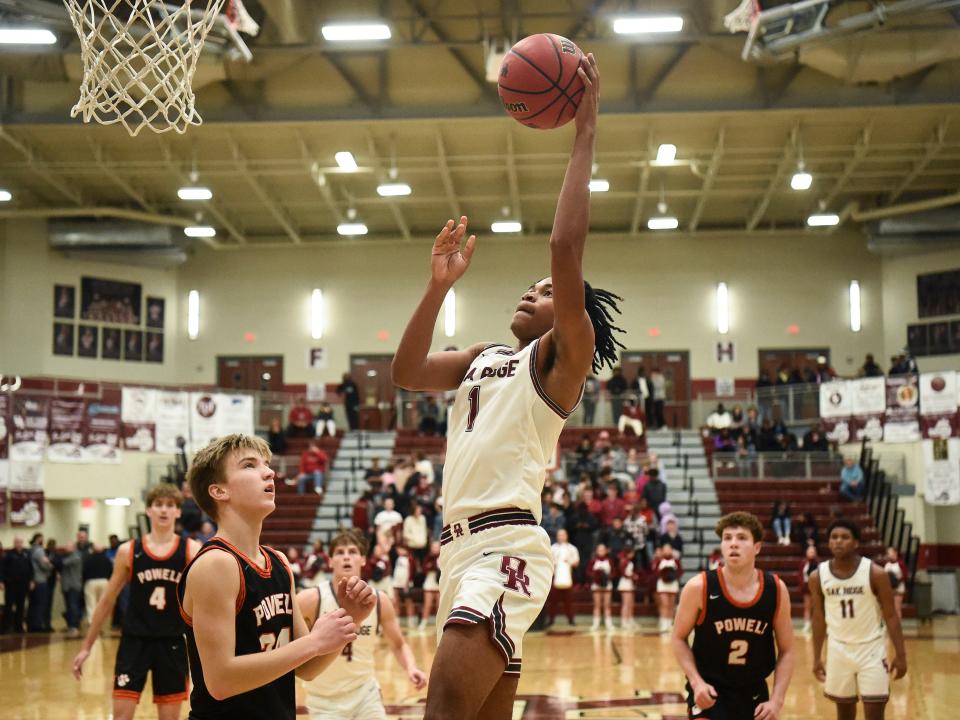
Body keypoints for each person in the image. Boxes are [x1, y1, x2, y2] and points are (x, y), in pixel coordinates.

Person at [390, 53, 622, 720]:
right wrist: (436, 291)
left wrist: (584, 131)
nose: (534, 290)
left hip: (505, 546)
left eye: (548, 293)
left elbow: (565, 249)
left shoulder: (561, 363)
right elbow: (407, 373)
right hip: (457, 551)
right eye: (531, 287)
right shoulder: (482, 357)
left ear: (574, 316)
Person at [176, 434, 376, 719]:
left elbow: (307, 668)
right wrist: (314, 642)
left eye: (267, 464)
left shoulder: (278, 562)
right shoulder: (216, 564)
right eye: (249, 465)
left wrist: (349, 618)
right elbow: (220, 681)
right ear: (219, 491)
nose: (269, 472)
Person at [72, 485, 202, 719]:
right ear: (148, 510)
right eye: (158, 504)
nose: (164, 510)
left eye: (170, 505)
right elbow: (106, 600)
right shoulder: (129, 550)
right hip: (134, 641)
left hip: (171, 642)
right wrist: (86, 647)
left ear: (178, 512)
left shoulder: (191, 550)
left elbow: (204, 604)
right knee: (121, 715)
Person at [672, 512, 795, 720]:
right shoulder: (699, 587)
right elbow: (678, 638)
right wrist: (696, 682)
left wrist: (777, 700)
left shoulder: (775, 589)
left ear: (757, 547)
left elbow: (788, 649)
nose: (733, 544)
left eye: (741, 538)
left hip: (754, 692)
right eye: (727, 538)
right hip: (709, 691)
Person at [297, 530, 428, 720]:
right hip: (324, 702)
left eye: (352, 551)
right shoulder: (311, 599)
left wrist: (411, 668)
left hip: (366, 696)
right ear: (330, 561)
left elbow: (398, 644)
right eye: (340, 552)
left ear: (363, 559)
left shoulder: (379, 600)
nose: (346, 557)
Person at [809, 519, 907, 720]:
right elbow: (818, 618)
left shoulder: (876, 573)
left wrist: (901, 654)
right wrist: (817, 657)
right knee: (844, 713)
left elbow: (891, 615)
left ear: (855, 543)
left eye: (845, 537)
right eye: (834, 537)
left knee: (874, 712)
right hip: (838, 649)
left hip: (871, 649)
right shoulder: (817, 576)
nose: (838, 541)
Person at [548, 528, 579, 627]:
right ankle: (551, 619)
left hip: (568, 577)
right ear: (557, 536)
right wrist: (555, 563)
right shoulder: (553, 548)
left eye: (563, 535)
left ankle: (571, 619)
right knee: (553, 601)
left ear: (566, 536)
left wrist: (569, 561)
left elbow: (576, 562)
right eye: (559, 535)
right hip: (555, 577)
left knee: (569, 601)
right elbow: (548, 561)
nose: (561, 537)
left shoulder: (572, 548)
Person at [1, 536, 31, 633]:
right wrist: (1, 581)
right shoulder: (8, 554)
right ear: (14, 543)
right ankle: (7, 627)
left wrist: (32, 580)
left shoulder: (26, 554)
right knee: (9, 606)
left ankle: (19, 627)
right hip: (11, 584)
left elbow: (31, 568)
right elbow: (1, 568)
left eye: (20, 542)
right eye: (17, 542)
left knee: (21, 606)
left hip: (23, 584)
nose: (19, 544)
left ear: (23, 543)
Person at [27, 533, 53, 632]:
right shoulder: (39, 551)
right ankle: (37, 625)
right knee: (40, 604)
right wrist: (50, 566)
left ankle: (31, 624)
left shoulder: (30, 550)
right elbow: (44, 565)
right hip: (40, 580)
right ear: (39, 539)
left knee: (32, 604)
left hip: (32, 580)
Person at [654, 544, 681, 634]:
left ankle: (669, 624)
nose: (667, 551)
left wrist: (673, 575)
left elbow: (680, 571)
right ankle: (663, 624)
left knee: (671, 605)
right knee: (664, 604)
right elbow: (655, 572)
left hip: (672, 584)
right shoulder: (659, 561)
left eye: (669, 549)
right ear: (662, 551)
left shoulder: (676, 561)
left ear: (671, 550)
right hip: (662, 585)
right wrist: (664, 575)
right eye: (665, 549)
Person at [588, 543, 616, 631]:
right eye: (599, 550)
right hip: (596, 586)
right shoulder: (593, 561)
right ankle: (595, 624)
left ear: (606, 551)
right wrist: (596, 576)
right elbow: (588, 572)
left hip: (607, 585)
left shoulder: (609, 561)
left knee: (607, 605)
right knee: (597, 605)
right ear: (597, 551)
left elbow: (614, 572)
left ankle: (609, 624)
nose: (601, 552)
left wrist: (607, 577)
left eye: (603, 550)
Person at [60, 541, 84, 635]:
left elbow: (62, 563)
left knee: (73, 606)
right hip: (66, 586)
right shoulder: (68, 556)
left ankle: (74, 626)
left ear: (73, 547)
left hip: (73, 586)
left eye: (67, 546)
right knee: (69, 607)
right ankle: (70, 625)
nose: (65, 548)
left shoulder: (76, 556)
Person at [419, 541, 441, 631]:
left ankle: (440, 625)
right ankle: (423, 623)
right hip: (429, 582)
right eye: (433, 547)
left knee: (439, 605)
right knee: (427, 604)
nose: (435, 549)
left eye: (437, 547)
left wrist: (433, 566)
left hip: (439, 583)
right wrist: (431, 565)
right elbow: (424, 569)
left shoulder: (443, 556)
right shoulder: (428, 557)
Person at [883, 546, 908, 619]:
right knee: (890, 609)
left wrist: (897, 581)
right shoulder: (887, 564)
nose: (888, 554)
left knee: (897, 608)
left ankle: (898, 626)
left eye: (890, 552)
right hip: (889, 589)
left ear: (895, 553)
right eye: (887, 553)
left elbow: (905, 576)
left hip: (898, 588)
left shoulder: (900, 563)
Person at [800, 544, 819, 634]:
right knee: (807, 606)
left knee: (815, 607)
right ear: (806, 552)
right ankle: (807, 624)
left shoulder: (818, 563)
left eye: (813, 551)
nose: (811, 553)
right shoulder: (803, 562)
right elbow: (800, 575)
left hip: (815, 588)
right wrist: (801, 585)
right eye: (809, 551)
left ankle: (815, 624)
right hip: (806, 587)